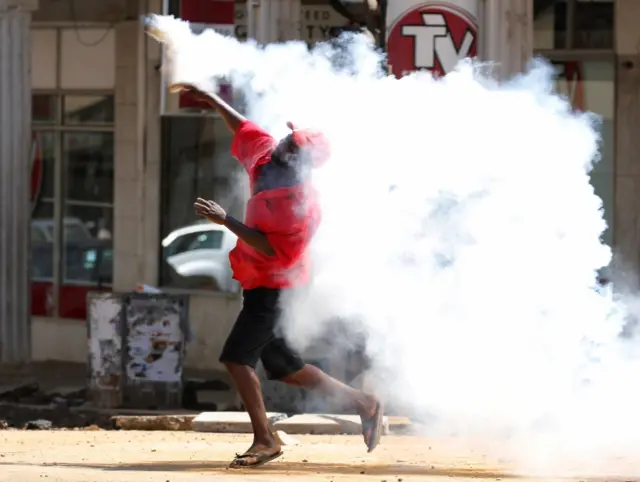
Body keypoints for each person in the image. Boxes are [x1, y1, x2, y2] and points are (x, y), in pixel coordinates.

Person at [174, 83, 384, 468]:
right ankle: (364, 402)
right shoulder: (268, 158)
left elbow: (276, 249)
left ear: (302, 164)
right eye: (287, 140)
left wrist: (226, 221)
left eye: (292, 149)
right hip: (260, 284)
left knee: (237, 358)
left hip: (279, 289)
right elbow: (244, 128)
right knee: (286, 368)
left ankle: (265, 440)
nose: (282, 148)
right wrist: (210, 98)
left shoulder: (302, 205)